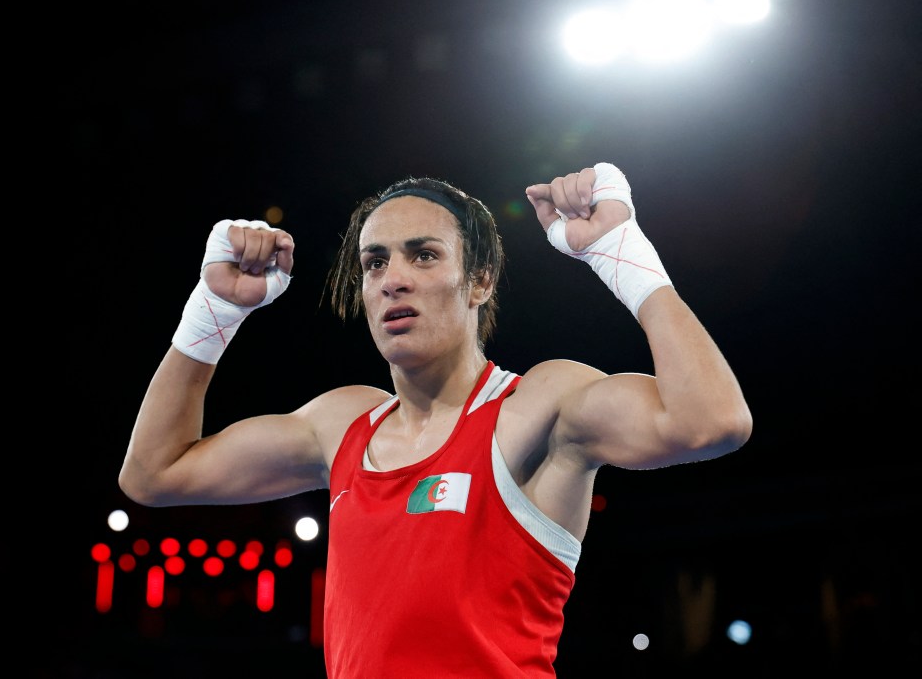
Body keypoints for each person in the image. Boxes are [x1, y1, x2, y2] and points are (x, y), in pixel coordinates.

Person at [120, 161, 753, 677]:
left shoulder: (536, 407)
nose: (393, 279)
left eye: (423, 255)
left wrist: (622, 253)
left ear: (479, 281)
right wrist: (212, 314)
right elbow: (151, 474)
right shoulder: (343, 425)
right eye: (375, 263)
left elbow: (714, 421)